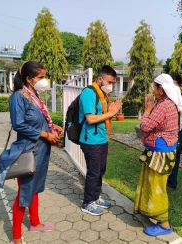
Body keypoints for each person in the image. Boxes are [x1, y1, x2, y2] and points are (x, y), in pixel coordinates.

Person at [0, 61, 64, 244]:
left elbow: (37, 118)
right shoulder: (19, 97)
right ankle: (16, 236)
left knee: (34, 189)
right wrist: (45, 134)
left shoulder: (35, 95)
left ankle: (35, 222)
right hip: (28, 151)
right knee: (25, 191)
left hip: (41, 150)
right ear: (29, 78)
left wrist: (52, 126)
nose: (44, 80)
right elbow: (19, 124)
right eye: (41, 77)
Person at [134, 74, 182, 236]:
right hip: (159, 152)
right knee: (151, 183)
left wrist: (148, 110)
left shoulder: (164, 106)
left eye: (154, 87)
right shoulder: (166, 103)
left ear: (161, 89)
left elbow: (145, 125)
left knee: (157, 187)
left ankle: (164, 224)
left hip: (161, 154)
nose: (152, 90)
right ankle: (149, 211)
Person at [79, 65, 122, 215]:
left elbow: (104, 115)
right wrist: (110, 113)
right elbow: (90, 119)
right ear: (99, 79)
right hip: (91, 140)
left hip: (102, 139)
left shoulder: (103, 94)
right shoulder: (89, 93)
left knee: (100, 171)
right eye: (109, 82)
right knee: (93, 172)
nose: (111, 85)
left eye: (113, 83)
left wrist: (112, 113)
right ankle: (87, 202)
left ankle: (95, 197)